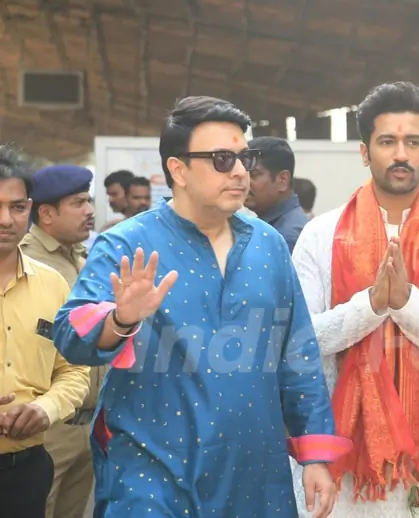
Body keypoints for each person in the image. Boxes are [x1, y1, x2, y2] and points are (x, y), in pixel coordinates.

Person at [51, 96, 350, 518]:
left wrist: (315, 454)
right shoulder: (126, 244)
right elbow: (70, 335)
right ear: (178, 170)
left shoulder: (268, 246)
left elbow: (297, 354)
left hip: (253, 474)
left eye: (246, 158)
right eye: (224, 159)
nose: (241, 172)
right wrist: (120, 319)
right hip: (150, 470)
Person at [291, 81, 419, 518]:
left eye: (412, 142)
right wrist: (372, 305)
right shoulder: (321, 237)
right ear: (365, 153)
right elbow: (300, 342)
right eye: (387, 141)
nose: (401, 153)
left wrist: (408, 306)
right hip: (335, 464)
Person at [0, 146, 91, 518]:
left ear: (31, 208)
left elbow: (74, 368)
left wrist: (45, 408)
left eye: (17, 207)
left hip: (27, 468)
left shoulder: (53, 284)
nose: (6, 219)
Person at [20, 165, 99, 518]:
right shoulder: (25, 262)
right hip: (46, 427)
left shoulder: (81, 260)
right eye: (79, 203)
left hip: (86, 425)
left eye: (89, 200)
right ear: (47, 213)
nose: (90, 211)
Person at [245, 137, 309, 251]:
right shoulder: (269, 226)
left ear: (283, 180)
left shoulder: (286, 236)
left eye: (253, 175)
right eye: (243, 175)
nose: (244, 182)